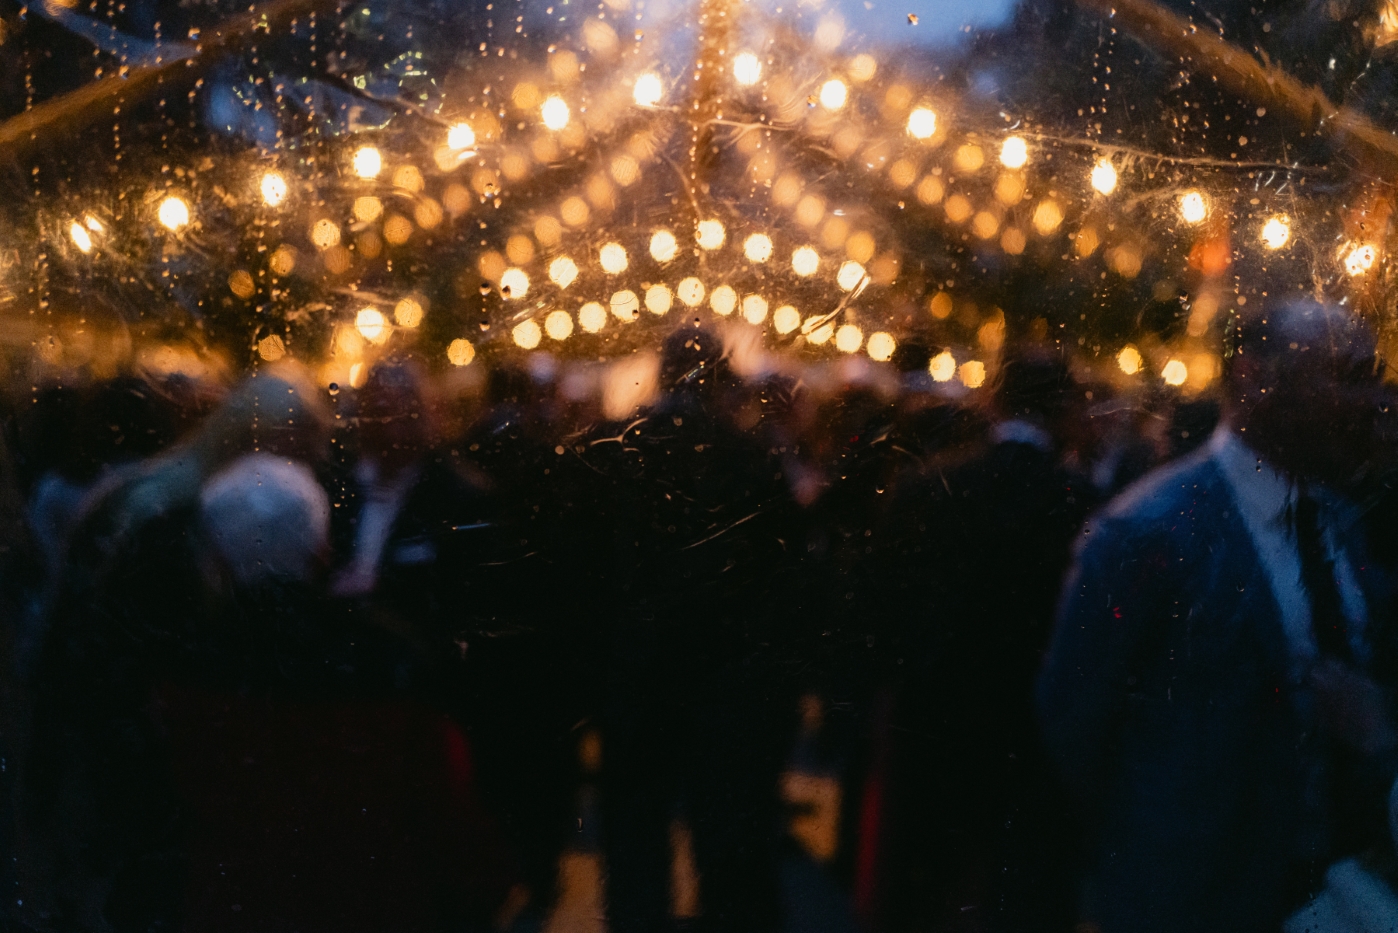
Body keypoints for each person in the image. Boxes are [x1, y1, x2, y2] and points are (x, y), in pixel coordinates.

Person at [1039, 297, 1396, 933]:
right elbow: (1074, 729)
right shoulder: (1148, 534)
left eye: (1373, 379)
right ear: (1254, 376)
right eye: (1347, 377)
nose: (1371, 404)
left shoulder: (1338, 522)